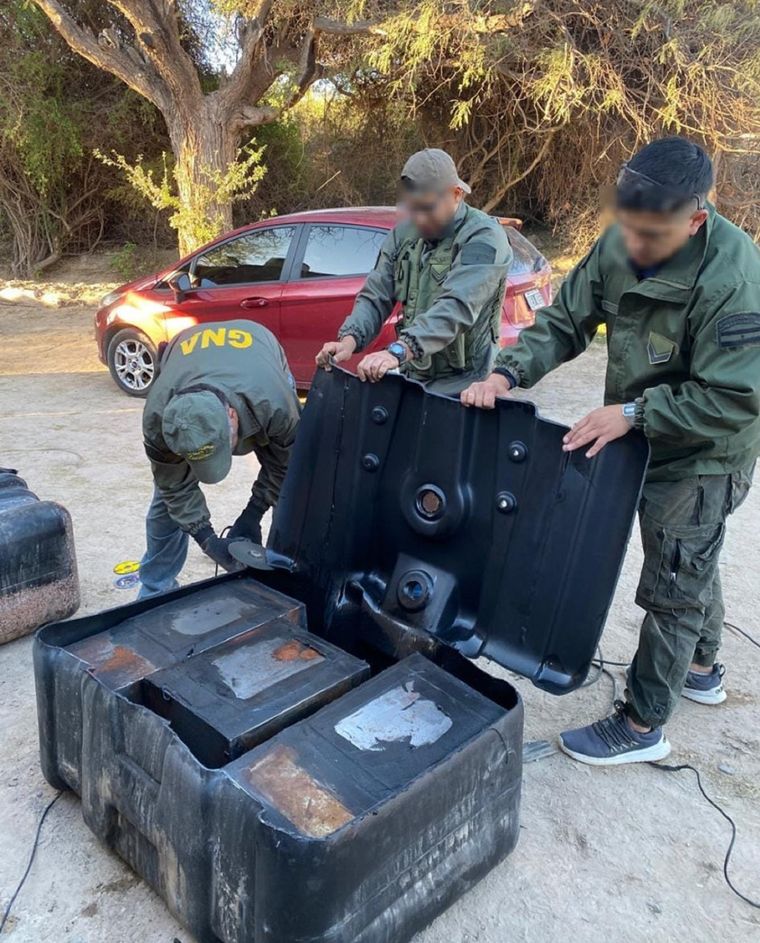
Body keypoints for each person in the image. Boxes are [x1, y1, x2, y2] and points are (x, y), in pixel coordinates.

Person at [461, 137, 760, 765]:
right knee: (690, 555)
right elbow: (565, 321)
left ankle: (643, 724)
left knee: (676, 573)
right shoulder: (624, 237)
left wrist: (632, 413)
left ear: (696, 221)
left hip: (706, 450)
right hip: (644, 433)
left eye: (652, 235)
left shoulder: (733, 277)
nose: (635, 247)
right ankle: (703, 666)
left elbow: (734, 399)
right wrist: (506, 374)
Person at [315, 148, 512, 395]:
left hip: (468, 389)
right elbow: (376, 295)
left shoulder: (483, 238)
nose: (418, 219)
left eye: (427, 208)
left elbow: (456, 306)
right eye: (412, 208)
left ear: (456, 194)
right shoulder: (403, 236)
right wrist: (349, 340)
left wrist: (399, 350)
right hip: (415, 382)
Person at [138, 319, 300, 598]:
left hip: (257, 341)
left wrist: (254, 513)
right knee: (165, 501)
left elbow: (285, 468)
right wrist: (208, 540)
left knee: (291, 494)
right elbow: (174, 488)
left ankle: (279, 582)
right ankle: (155, 588)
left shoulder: (275, 404)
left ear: (232, 417)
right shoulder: (158, 420)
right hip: (188, 352)